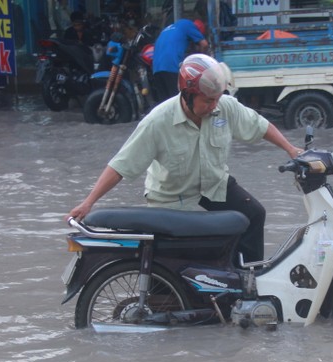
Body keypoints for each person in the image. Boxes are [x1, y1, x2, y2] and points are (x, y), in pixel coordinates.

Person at [68, 54, 301, 263]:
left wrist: (290, 149)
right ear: (188, 95)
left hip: (213, 184)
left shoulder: (224, 107)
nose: (213, 106)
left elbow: (260, 126)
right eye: (207, 101)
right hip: (172, 195)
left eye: (217, 99)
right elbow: (122, 165)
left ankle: (248, 281)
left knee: (254, 214)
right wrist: (89, 201)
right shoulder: (158, 121)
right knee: (179, 256)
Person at [152, 17, 208, 101]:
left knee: (165, 103)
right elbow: (204, 44)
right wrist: (202, 62)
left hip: (156, 68)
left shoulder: (169, 28)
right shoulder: (188, 25)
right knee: (178, 102)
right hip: (171, 66)